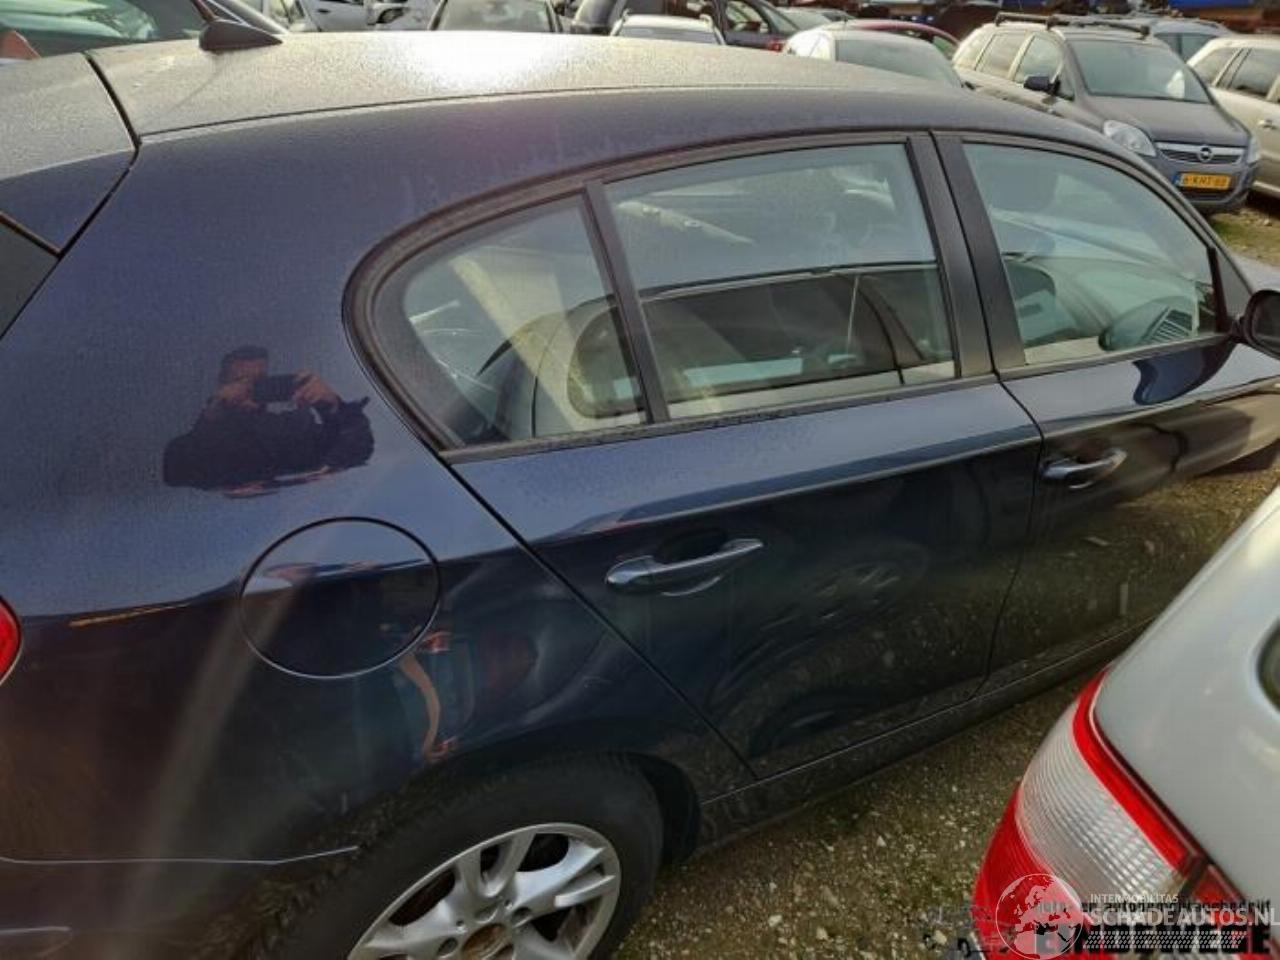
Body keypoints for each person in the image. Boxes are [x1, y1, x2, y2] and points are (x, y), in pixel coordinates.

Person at [163, 346, 373, 493]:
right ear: (221, 385)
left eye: (260, 382)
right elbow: (175, 472)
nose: (251, 389)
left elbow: (357, 453)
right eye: (240, 382)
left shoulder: (289, 429)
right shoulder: (196, 441)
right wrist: (214, 413)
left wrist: (332, 406)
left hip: (296, 515)